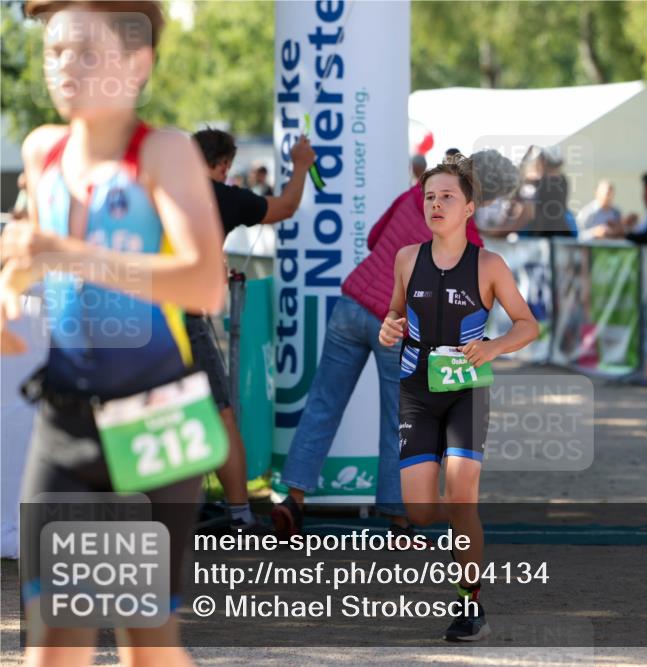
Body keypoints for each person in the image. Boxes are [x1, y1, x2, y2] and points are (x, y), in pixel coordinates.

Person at [1, 2, 224, 664]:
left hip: (153, 419)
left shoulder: (163, 152)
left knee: (145, 644)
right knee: (52, 644)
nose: (65, 65)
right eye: (54, 51)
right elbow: (27, 251)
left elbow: (203, 283)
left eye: (86, 52)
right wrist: (7, 303)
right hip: (64, 420)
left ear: (137, 63)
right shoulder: (42, 150)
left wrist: (68, 255)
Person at [269, 149, 518, 542]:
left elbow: (373, 238)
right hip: (399, 325)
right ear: (484, 199)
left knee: (322, 403)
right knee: (400, 420)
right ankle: (399, 519)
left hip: (351, 305)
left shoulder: (417, 194)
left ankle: (293, 498)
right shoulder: (469, 240)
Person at [379, 154, 539, 641]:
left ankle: (470, 606)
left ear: (470, 208)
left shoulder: (489, 266)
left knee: (461, 498)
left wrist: (492, 347)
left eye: (447, 196)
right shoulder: (408, 258)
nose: (436, 204)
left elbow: (528, 324)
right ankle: (450, 537)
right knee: (421, 511)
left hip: (466, 393)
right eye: (429, 197)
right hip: (416, 393)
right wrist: (390, 329)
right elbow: (394, 316)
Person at [191, 127, 316, 532]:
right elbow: (286, 206)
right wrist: (300, 166)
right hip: (184, 317)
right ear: (225, 165)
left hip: (140, 317)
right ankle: (241, 515)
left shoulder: (164, 192)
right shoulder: (224, 196)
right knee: (222, 415)